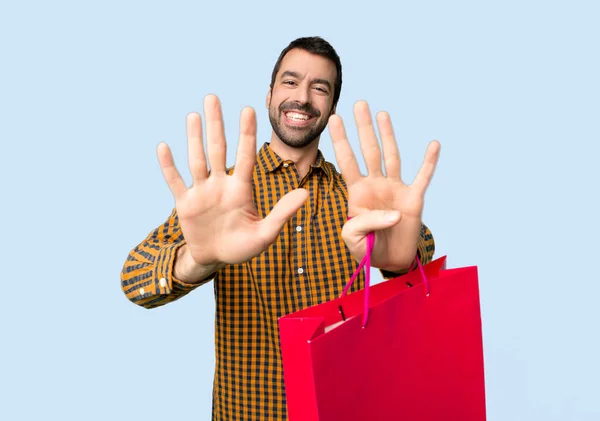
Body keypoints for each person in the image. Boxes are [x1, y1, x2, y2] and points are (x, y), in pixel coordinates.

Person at [121, 36, 440, 421]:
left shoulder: (355, 197)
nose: (303, 98)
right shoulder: (224, 197)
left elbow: (419, 246)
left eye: (319, 88)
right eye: (290, 82)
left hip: (347, 408)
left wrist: (401, 261)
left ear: (332, 107)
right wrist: (196, 261)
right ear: (270, 94)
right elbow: (135, 279)